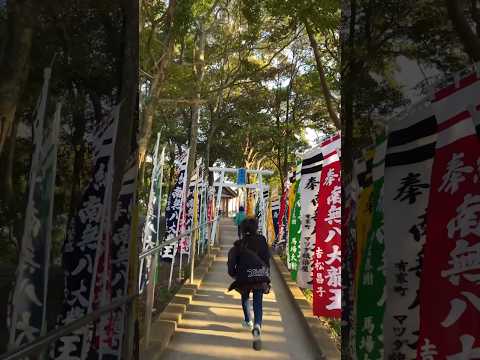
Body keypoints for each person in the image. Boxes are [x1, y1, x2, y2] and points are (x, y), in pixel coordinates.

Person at [227, 217, 271, 351]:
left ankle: (248, 321)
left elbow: (231, 267)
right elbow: (266, 259)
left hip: (244, 278)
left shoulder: (238, 245)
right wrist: (265, 275)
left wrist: (236, 275)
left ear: (242, 230)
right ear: (256, 228)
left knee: (245, 297)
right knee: (258, 303)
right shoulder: (262, 240)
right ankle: (257, 325)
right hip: (259, 276)